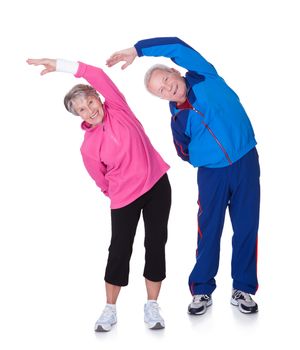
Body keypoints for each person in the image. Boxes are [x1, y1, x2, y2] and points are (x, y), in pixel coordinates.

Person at [106, 37, 260, 315]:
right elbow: (184, 152)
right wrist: (208, 157)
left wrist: (136, 51)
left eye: (166, 79)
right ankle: (201, 290)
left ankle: (243, 288)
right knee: (209, 230)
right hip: (212, 175)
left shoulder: (203, 75)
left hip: (246, 161)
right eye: (160, 91)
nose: (167, 88)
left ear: (175, 72)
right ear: (161, 98)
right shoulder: (178, 120)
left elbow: (176, 45)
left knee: (247, 226)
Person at [27, 57, 172, 331]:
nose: (90, 110)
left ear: (98, 97)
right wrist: (118, 191)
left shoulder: (118, 107)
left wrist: (59, 65)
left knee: (156, 243)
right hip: (124, 198)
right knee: (119, 250)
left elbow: (95, 73)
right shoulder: (88, 147)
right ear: (78, 116)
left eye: (90, 102)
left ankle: (152, 306)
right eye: (82, 109)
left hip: (157, 186)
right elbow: (100, 180)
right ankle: (110, 309)